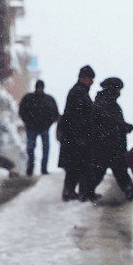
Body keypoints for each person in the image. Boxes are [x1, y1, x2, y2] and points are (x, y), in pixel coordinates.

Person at [86, 77, 133, 202]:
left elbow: (115, 122)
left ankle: (87, 193)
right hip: (107, 144)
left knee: (107, 170)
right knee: (111, 170)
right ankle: (87, 193)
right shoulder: (105, 103)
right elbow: (111, 123)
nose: (119, 93)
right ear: (112, 89)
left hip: (109, 144)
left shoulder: (106, 102)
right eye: (118, 90)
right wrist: (125, 127)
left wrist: (126, 126)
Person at [57, 65, 95, 202]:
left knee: (76, 165)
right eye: (90, 79)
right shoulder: (78, 93)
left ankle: (75, 192)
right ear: (83, 78)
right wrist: (79, 135)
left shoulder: (80, 91)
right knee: (77, 166)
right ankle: (73, 193)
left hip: (74, 137)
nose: (92, 82)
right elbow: (76, 116)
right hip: (75, 138)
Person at [18, 80, 60, 176]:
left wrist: (48, 123)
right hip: (33, 128)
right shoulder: (32, 99)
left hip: (41, 128)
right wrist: (28, 122)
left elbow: (54, 114)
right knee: (32, 149)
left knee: (41, 149)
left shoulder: (32, 99)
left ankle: (40, 169)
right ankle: (32, 168)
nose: (39, 89)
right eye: (38, 87)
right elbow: (22, 111)